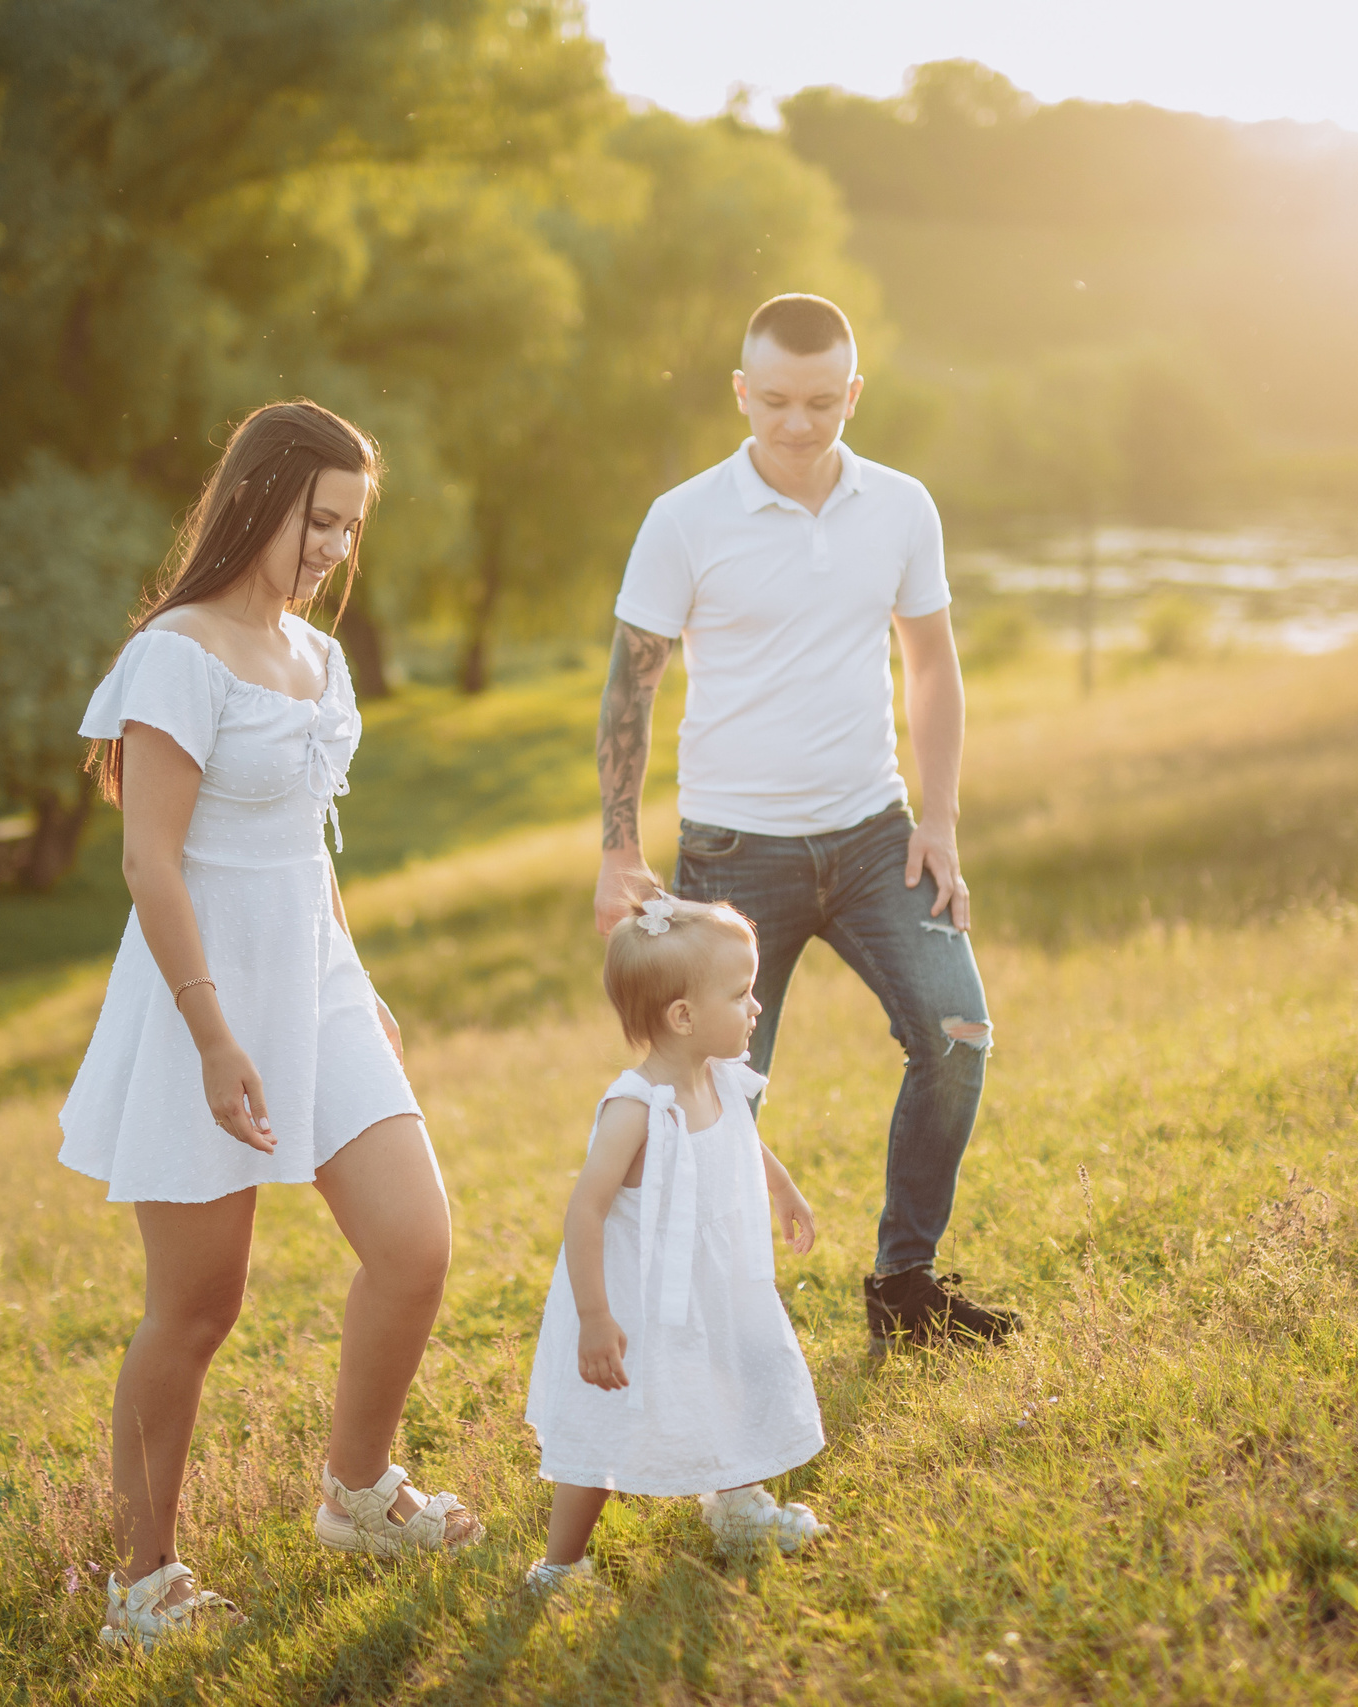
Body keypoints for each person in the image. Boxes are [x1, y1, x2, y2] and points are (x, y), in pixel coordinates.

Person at [59, 399, 482, 1651]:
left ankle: (357, 1493)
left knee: (415, 1242)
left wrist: (358, 979)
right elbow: (150, 862)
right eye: (320, 521)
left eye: (350, 528)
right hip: (202, 998)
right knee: (199, 1306)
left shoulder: (319, 659)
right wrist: (213, 1037)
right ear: (257, 499)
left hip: (319, 982)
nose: (335, 549)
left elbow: (306, 841)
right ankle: (143, 1586)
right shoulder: (176, 654)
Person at [593, 293, 1019, 1350]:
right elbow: (630, 688)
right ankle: (713, 1320)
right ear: (741, 391)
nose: (797, 422)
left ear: (853, 394)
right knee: (714, 1093)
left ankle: (906, 1286)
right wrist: (618, 849)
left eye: (821, 402)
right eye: (776, 400)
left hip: (877, 837)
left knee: (957, 1033)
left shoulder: (901, 507)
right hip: (733, 855)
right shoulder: (683, 518)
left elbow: (932, 666)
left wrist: (939, 821)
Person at [522, 894, 830, 1593]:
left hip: (710, 1284)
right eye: (742, 994)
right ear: (683, 1017)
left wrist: (784, 1188)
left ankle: (739, 1506)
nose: (756, 1006)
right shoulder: (634, 1107)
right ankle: (560, 1565)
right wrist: (595, 1316)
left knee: (732, 1377)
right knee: (603, 1425)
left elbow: (743, 1139)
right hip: (633, 1299)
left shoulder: (716, 1075)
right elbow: (585, 1211)